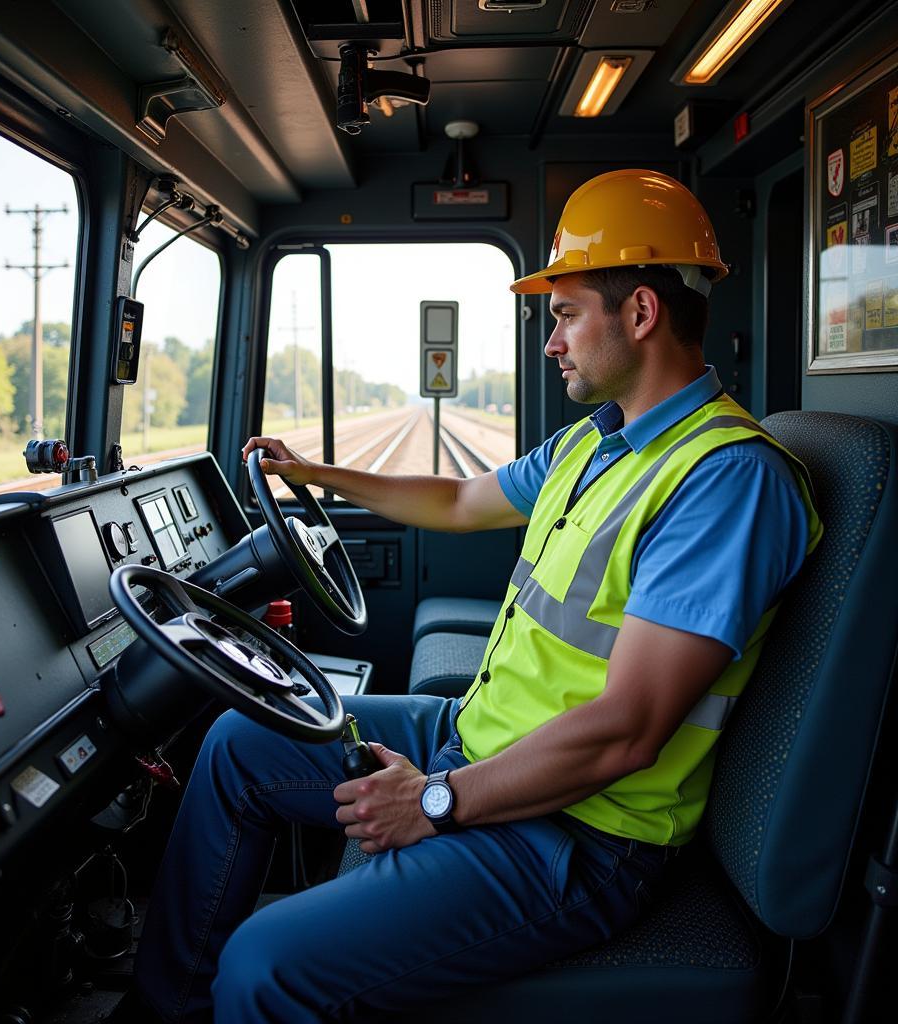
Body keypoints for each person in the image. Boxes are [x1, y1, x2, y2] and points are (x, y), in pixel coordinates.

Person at [118, 169, 822, 1023]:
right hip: (478, 740)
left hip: (582, 835)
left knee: (264, 967)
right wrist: (312, 472)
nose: (552, 341)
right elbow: (456, 501)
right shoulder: (595, 446)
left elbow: (630, 731)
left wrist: (435, 802)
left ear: (639, 313)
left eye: (565, 315)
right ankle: (165, 1010)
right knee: (241, 740)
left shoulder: (725, 480)